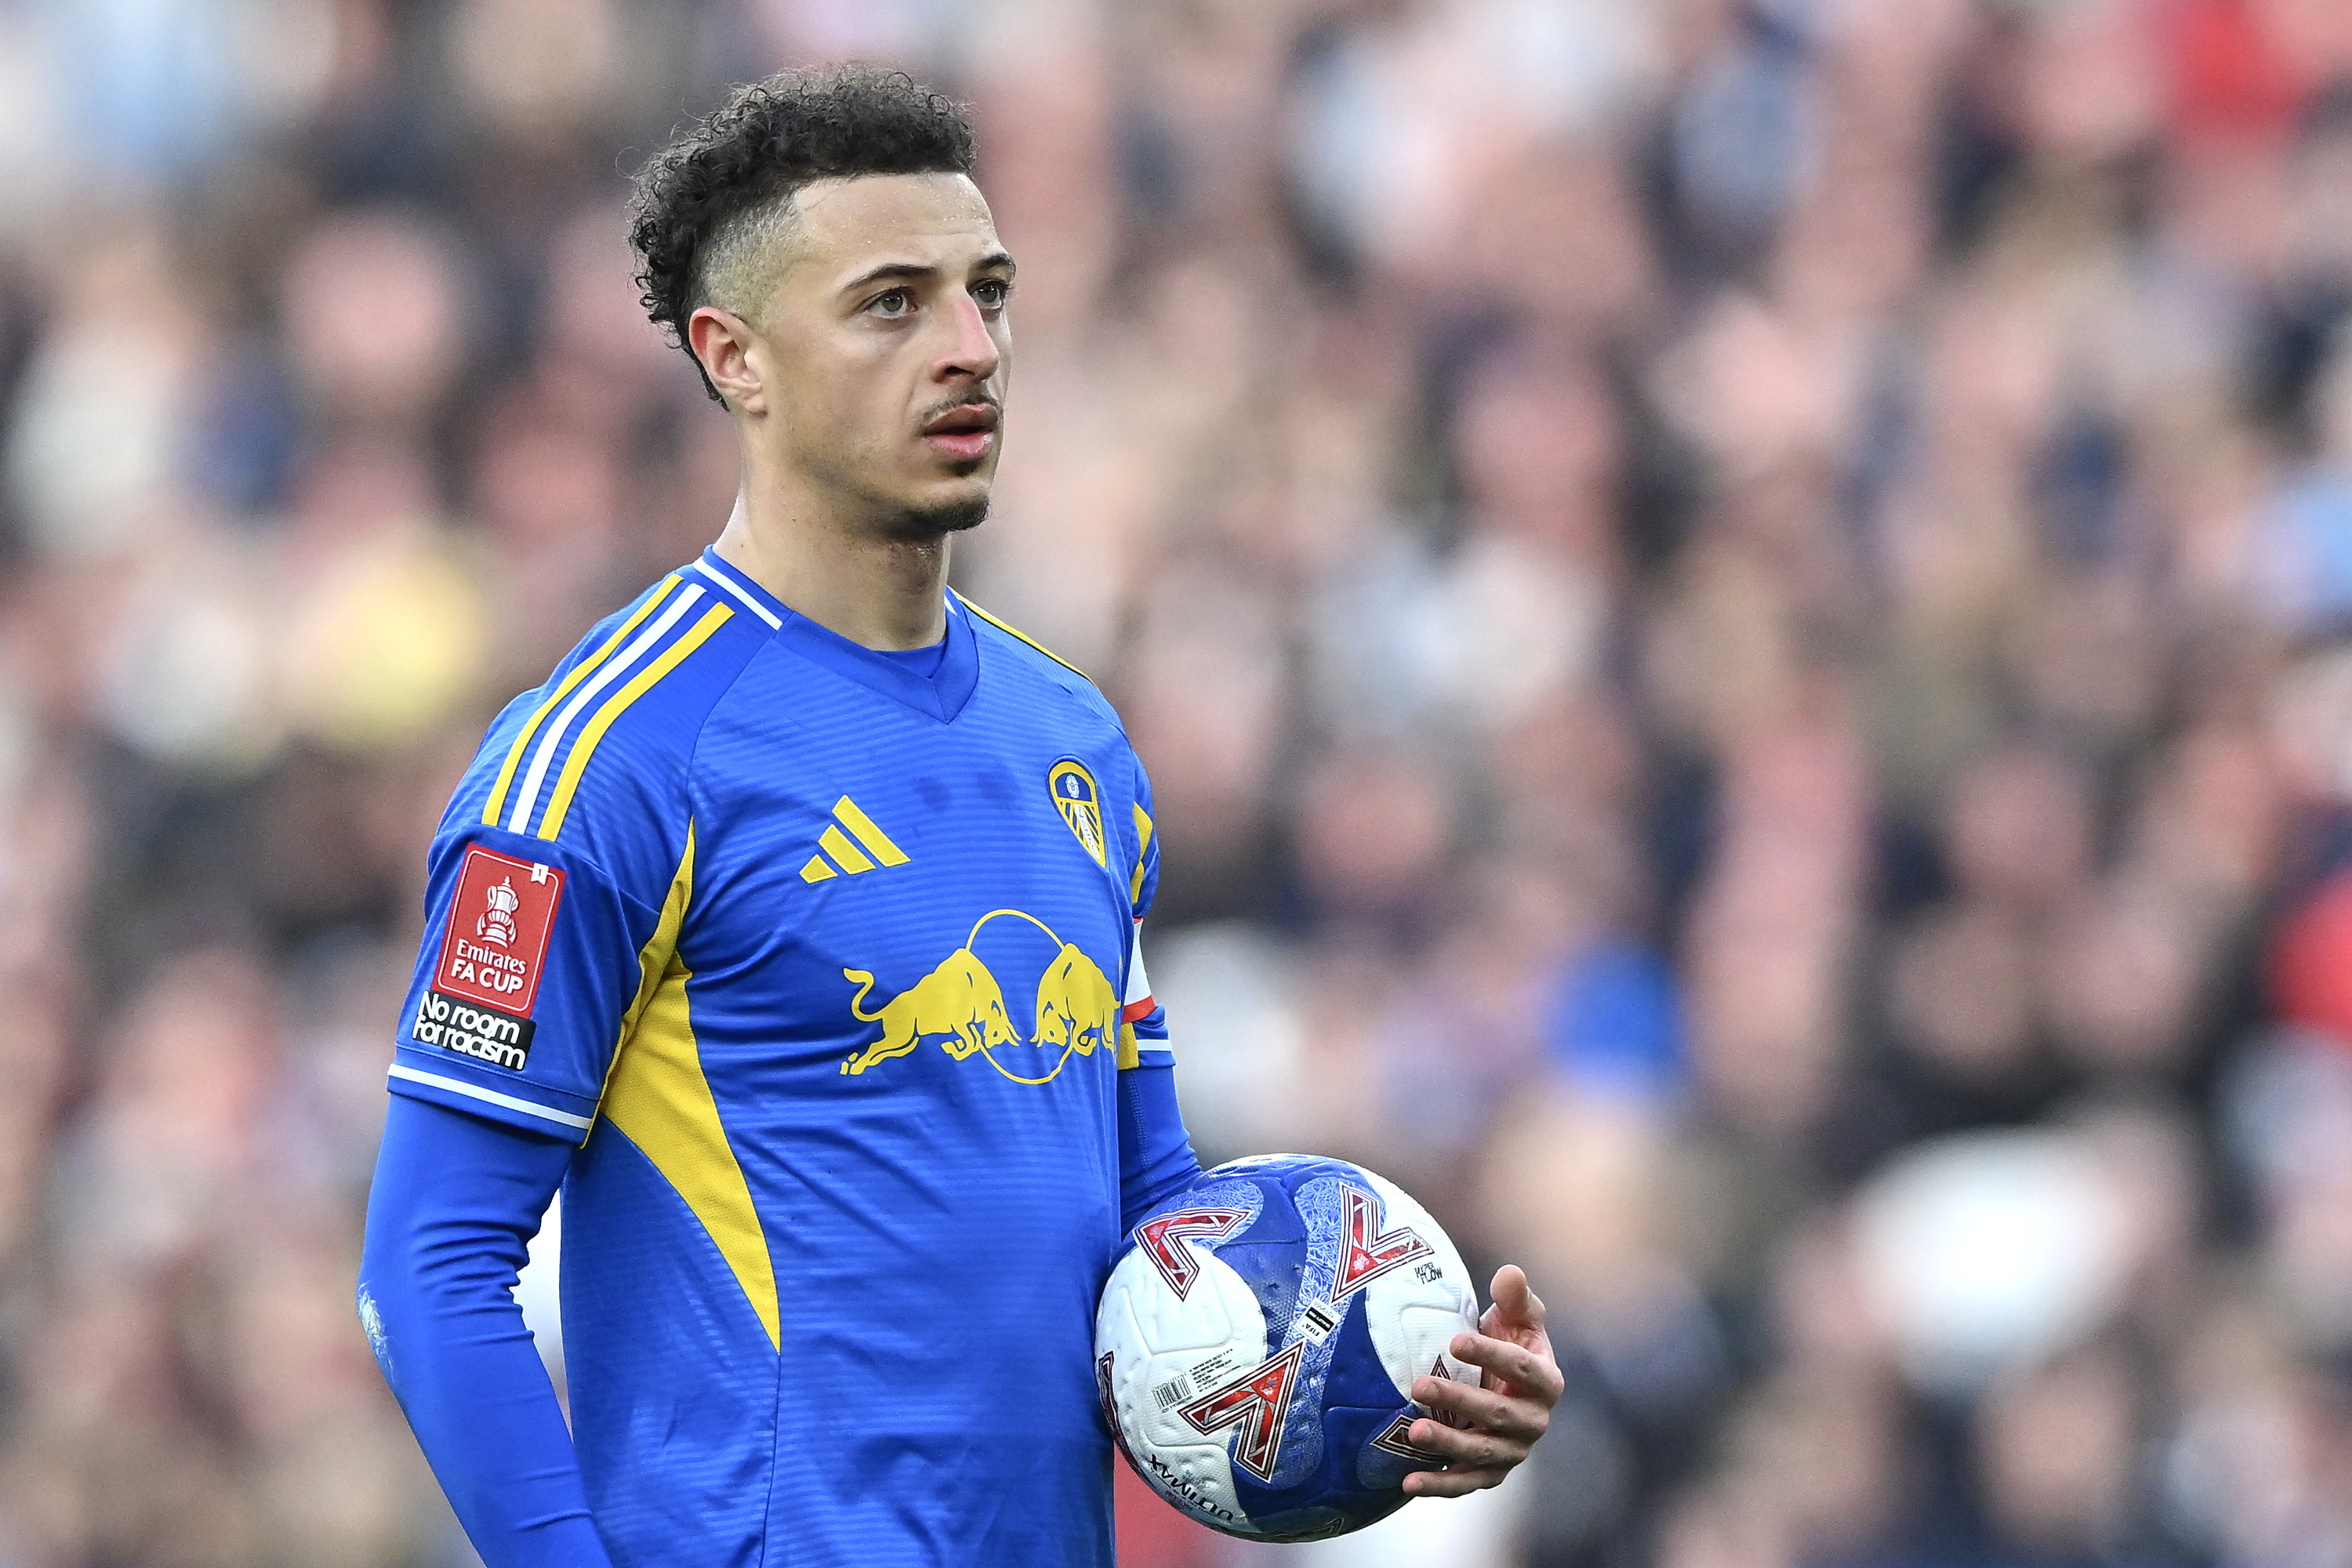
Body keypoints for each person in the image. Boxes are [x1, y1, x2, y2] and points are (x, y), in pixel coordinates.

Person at [356, 64, 1560, 1568]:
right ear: (734, 358)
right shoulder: (609, 760)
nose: (971, 348)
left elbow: (1149, 1228)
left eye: (987, 292)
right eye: (892, 304)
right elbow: (429, 1268)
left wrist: (1398, 1390)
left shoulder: (1076, 739)